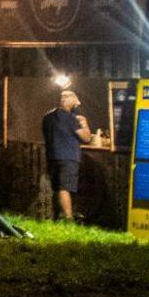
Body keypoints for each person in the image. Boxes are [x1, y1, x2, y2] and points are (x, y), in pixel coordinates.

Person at [42, 88, 95, 221]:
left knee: (57, 188)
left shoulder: (48, 117)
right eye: (75, 102)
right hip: (68, 157)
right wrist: (84, 123)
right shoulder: (71, 118)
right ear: (71, 101)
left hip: (52, 157)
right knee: (65, 188)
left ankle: (56, 217)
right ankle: (68, 219)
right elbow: (86, 138)